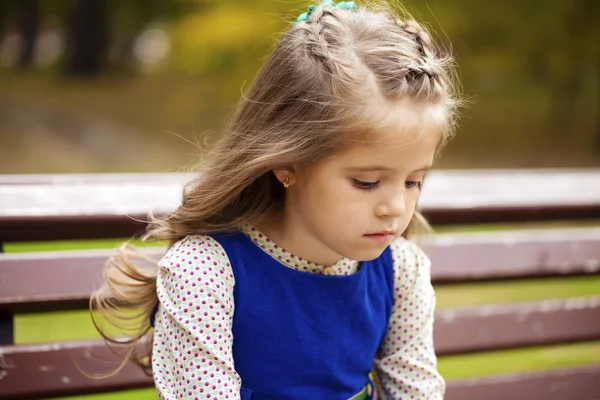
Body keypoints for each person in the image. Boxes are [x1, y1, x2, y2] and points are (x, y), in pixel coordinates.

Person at [91, 0, 461, 398]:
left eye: (413, 182)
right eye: (367, 182)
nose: (397, 207)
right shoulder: (205, 272)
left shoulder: (400, 271)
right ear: (289, 163)